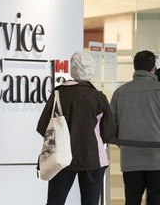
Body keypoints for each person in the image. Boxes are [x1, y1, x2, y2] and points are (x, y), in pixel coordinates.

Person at [37, 52, 116, 205]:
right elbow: (108, 132)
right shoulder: (98, 97)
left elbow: (43, 128)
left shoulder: (58, 94)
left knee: (55, 201)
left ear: (72, 70)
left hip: (61, 158)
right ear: (91, 70)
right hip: (93, 159)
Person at [110, 50, 160, 205]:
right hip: (157, 159)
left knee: (131, 200)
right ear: (153, 68)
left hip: (130, 158)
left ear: (134, 67)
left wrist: (124, 144)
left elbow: (112, 126)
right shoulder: (158, 89)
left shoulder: (120, 92)